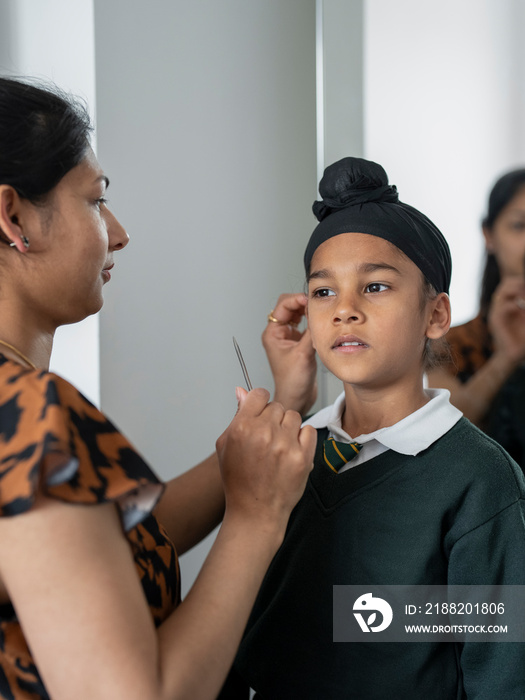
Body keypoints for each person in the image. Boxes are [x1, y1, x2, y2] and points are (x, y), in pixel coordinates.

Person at [0, 76, 317, 700]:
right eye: (94, 201)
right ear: (12, 216)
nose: (117, 233)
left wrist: (276, 416)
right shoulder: (31, 415)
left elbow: (99, 552)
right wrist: (256, 519)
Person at [224, 157, 525, 699]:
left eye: (377, 287)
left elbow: (501, 672)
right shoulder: (285, 457)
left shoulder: (479, 480)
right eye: (323, 292)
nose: (344, 310)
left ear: (435, 316)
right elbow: (240, 633)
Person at [426, 168, 525, 468]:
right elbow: (442, 435)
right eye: (519, 225)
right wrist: (507, 357)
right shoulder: (449, 343)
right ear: (489, 235)